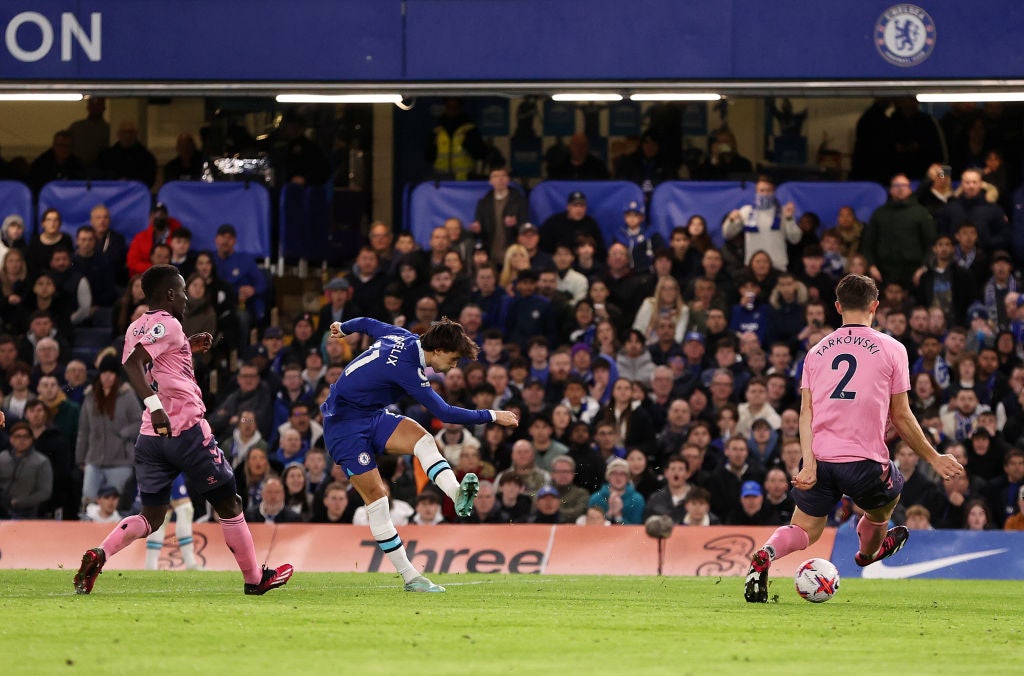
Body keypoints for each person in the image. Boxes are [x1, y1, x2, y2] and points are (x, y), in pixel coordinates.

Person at [73, 265, 293, 596]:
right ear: (170, 294)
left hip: (150, 439)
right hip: (185, 429)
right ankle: (254, 580)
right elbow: (133, 364)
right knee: (229, 503)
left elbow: (150, 362)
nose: (188, 298)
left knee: (151, 516)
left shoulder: (137, 327)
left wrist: (187, 345)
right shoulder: (170, 323)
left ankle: (100, 554)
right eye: (184, 291)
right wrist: (157, 407)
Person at [744, 274, 963, 603]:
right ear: (875, 306)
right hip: (864, 462)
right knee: (887, 500)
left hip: (819, 458)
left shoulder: (816, 352)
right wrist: (934, 457)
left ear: (837, 307)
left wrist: (808, 463)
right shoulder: (893, 349)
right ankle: (867, 553)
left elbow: (806, 413)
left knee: (804, 530)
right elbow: (901, 415)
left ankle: (766, 554)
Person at [322, 316, 518, 592]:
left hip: (370, 416)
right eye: (452, 359)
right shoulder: (408, 369)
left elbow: (367, 322)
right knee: (377, 498)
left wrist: (343, 328)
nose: (452, 367)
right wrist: (493, 415)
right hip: (344, 427)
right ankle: (411, 577)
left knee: (423, 439)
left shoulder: (400, 335)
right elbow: (444, 412)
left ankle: (457, 493)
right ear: (437, 350)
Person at [721, 175, 801, 271]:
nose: (765, 194)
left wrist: (789, 219)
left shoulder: (784, 212)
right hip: (752, 266)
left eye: (768, 190)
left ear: (774, 192)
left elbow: (795, 239)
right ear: (756, 192)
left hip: (777, 265)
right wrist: (731, 220)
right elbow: (727, 234)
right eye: (762, 191)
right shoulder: (746, 211)